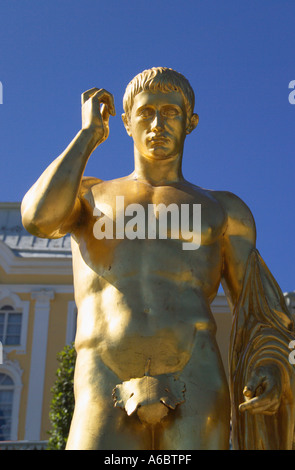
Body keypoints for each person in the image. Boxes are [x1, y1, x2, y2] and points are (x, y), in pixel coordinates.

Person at [21, 67, 295, 450]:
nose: (157, 123)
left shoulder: (224, 210)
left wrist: (269, 366)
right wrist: (87, 136)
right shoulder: (88, 197)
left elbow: (256, 309)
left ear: (190, 123)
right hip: (104, 375)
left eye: (170, 112)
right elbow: (37, 219)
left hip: (196, 375)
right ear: (126, 123)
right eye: (146, 112)